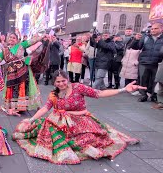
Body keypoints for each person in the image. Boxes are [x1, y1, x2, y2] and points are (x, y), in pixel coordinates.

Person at [12, 70, 145, 164]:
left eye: (63, 81)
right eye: (58, 82)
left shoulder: (78, 88)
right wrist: (31, 119)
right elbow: (45, 108)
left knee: (90, 139)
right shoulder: (54, 94)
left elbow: (100, 93)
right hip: (59, 122)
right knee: (48, 130)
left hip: (81, 120)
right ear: (54, 83)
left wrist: (123, 90)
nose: (61, 84)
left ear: (68, 80)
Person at [0, 33, 45, 112]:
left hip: (23, 71)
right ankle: (14, 107)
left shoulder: (21, 45)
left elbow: (33, 41)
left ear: (17, 40)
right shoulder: (5, 50)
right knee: (13, 89)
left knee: (23, 88)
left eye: (14, 38)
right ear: (7, 39)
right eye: (10, 37)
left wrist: (42, 36)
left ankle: (22, 106)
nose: (11, 39)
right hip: (11, 73)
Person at [130, 22, 163, 102]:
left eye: (155, 28)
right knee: (142, 79)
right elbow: (136, 47)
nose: (153, 30)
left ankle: (153, 95)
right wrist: (135, 40)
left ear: (161, 29)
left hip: (157, 63)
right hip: (144, 63)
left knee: (155, 81)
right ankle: (143, 95)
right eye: (152, 28)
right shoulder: (145, 37)